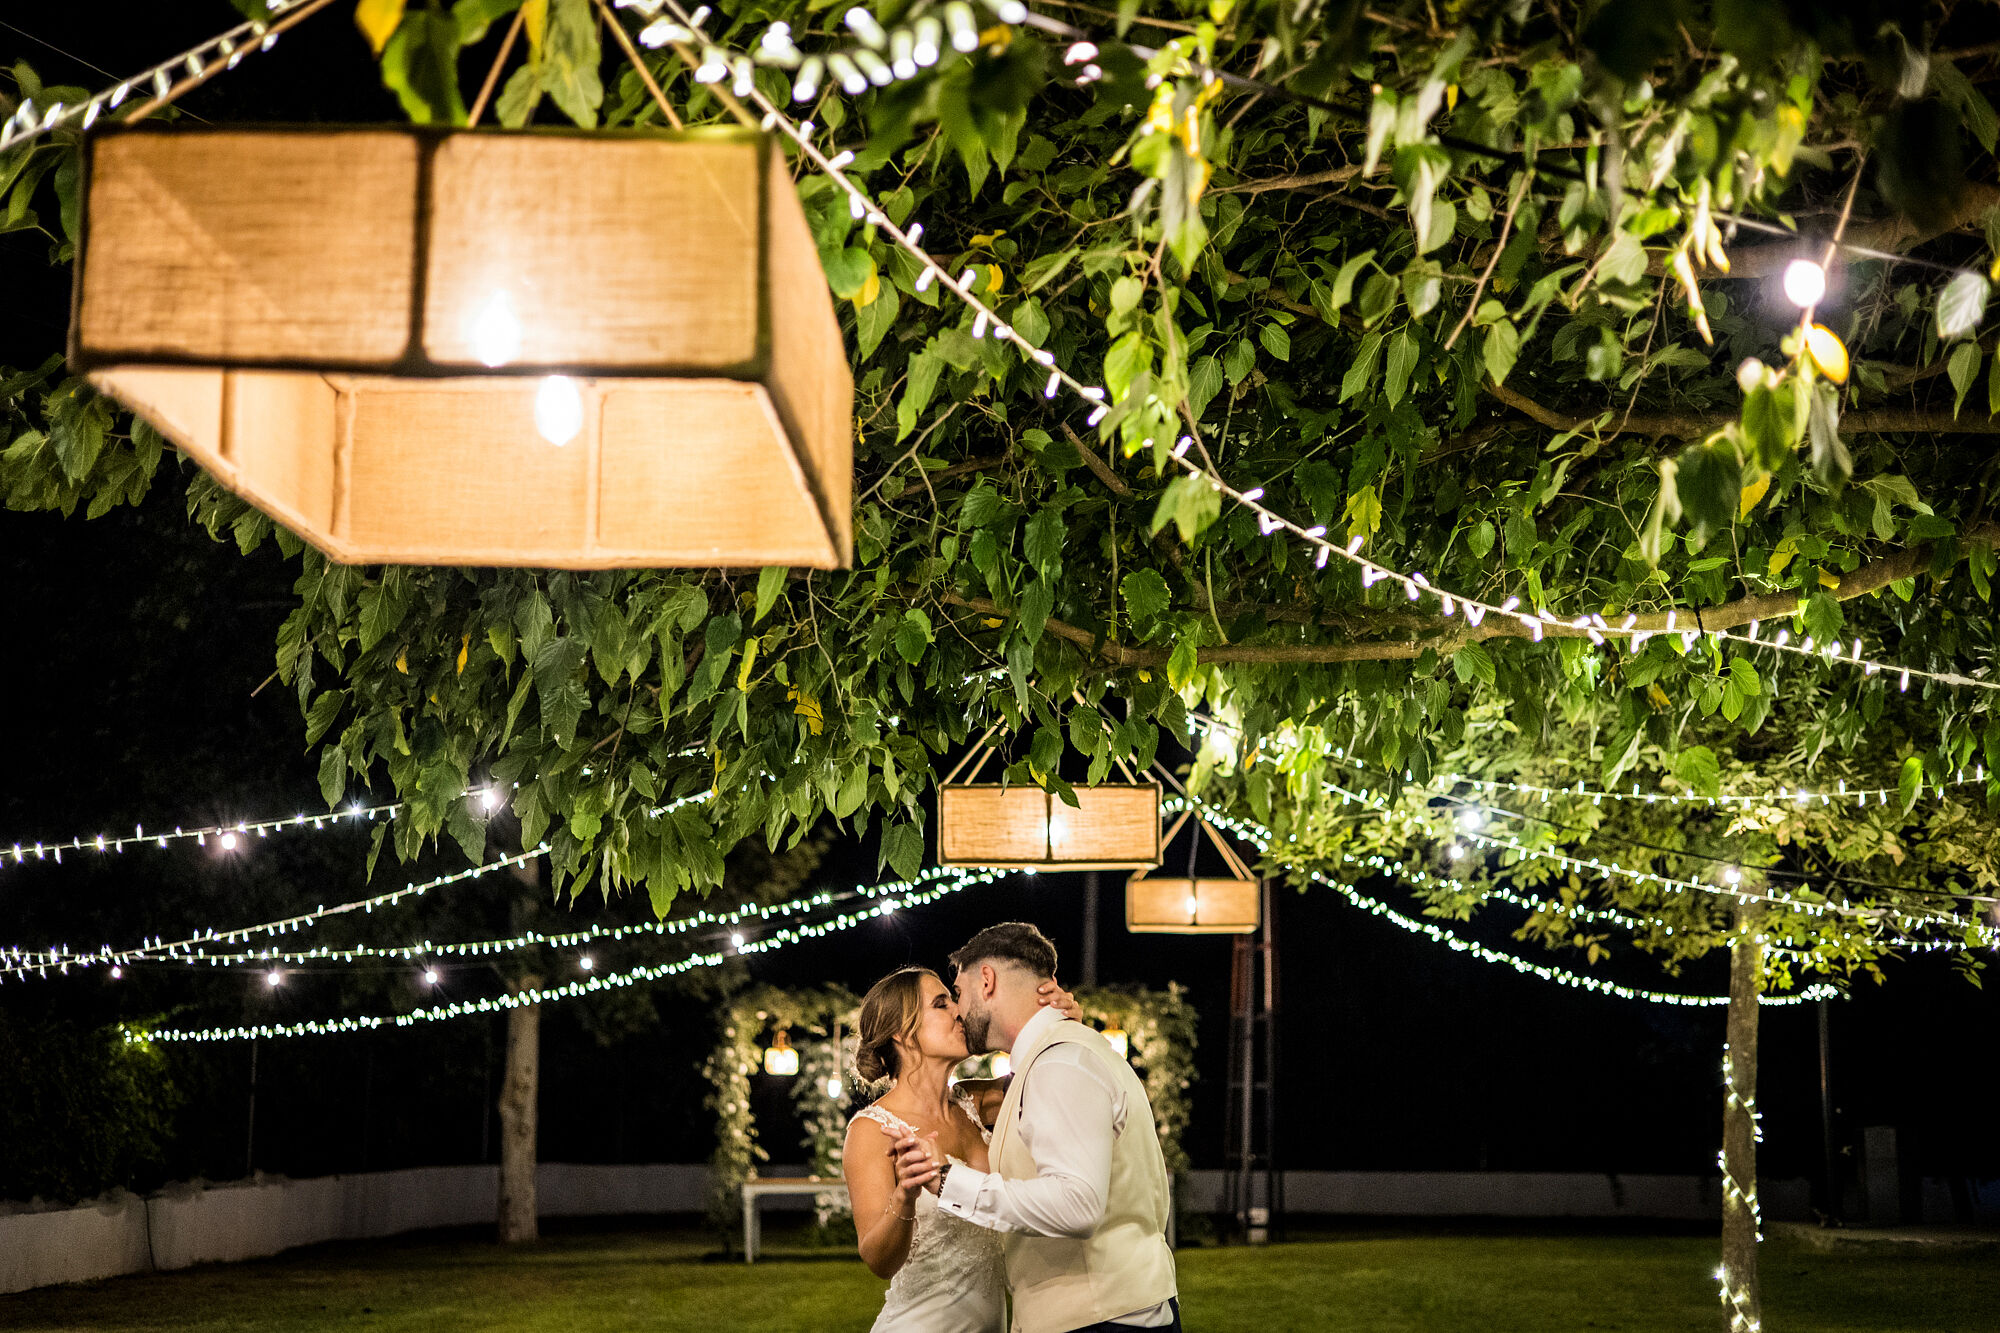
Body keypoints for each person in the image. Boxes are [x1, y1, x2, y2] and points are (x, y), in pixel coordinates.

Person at [888, 922, 1180, 1333]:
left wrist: (949, 1181)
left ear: (986, 980)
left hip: (1100, 1319)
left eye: (958, 992)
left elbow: (1078, 1205)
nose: (958, 1008)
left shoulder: (1059, 1063)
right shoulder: (1054, 1058)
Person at [843, 962, 1081, 1333]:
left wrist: (1061, 1022)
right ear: (902, 1033)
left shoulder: (978, 1102)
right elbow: (878, 1260)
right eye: (941, 1004)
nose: (958, 1010)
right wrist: (905, 1196)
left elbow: (1052, 1071)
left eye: (952, 999)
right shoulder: (873, 1130)